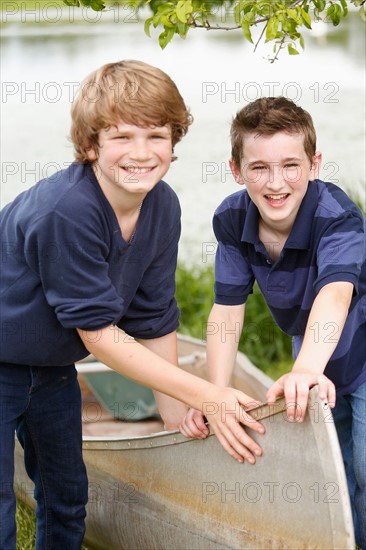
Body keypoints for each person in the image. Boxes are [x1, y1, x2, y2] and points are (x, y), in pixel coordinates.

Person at [0, 60, 265, 550]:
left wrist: (172, 415)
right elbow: (99, 335)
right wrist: (207, 394)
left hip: (52, 366)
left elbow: (153, 317)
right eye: (121, 137)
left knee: (66, 495)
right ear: (89, 146)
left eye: (156, 136)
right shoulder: (67, 211)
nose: (141, 153)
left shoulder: (162, 205)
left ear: (174, 141)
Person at [180, 97, 366, 548]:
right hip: (315, 356)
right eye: (260, 168)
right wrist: (215, 392)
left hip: (353, 355)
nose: (276, 182)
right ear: (236, 170)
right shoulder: (231, 217)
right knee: (331, 479)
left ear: (315, 164)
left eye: (291, 165)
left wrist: (305, 369)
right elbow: (227, 309)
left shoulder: (336, 216)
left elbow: (335, 293)